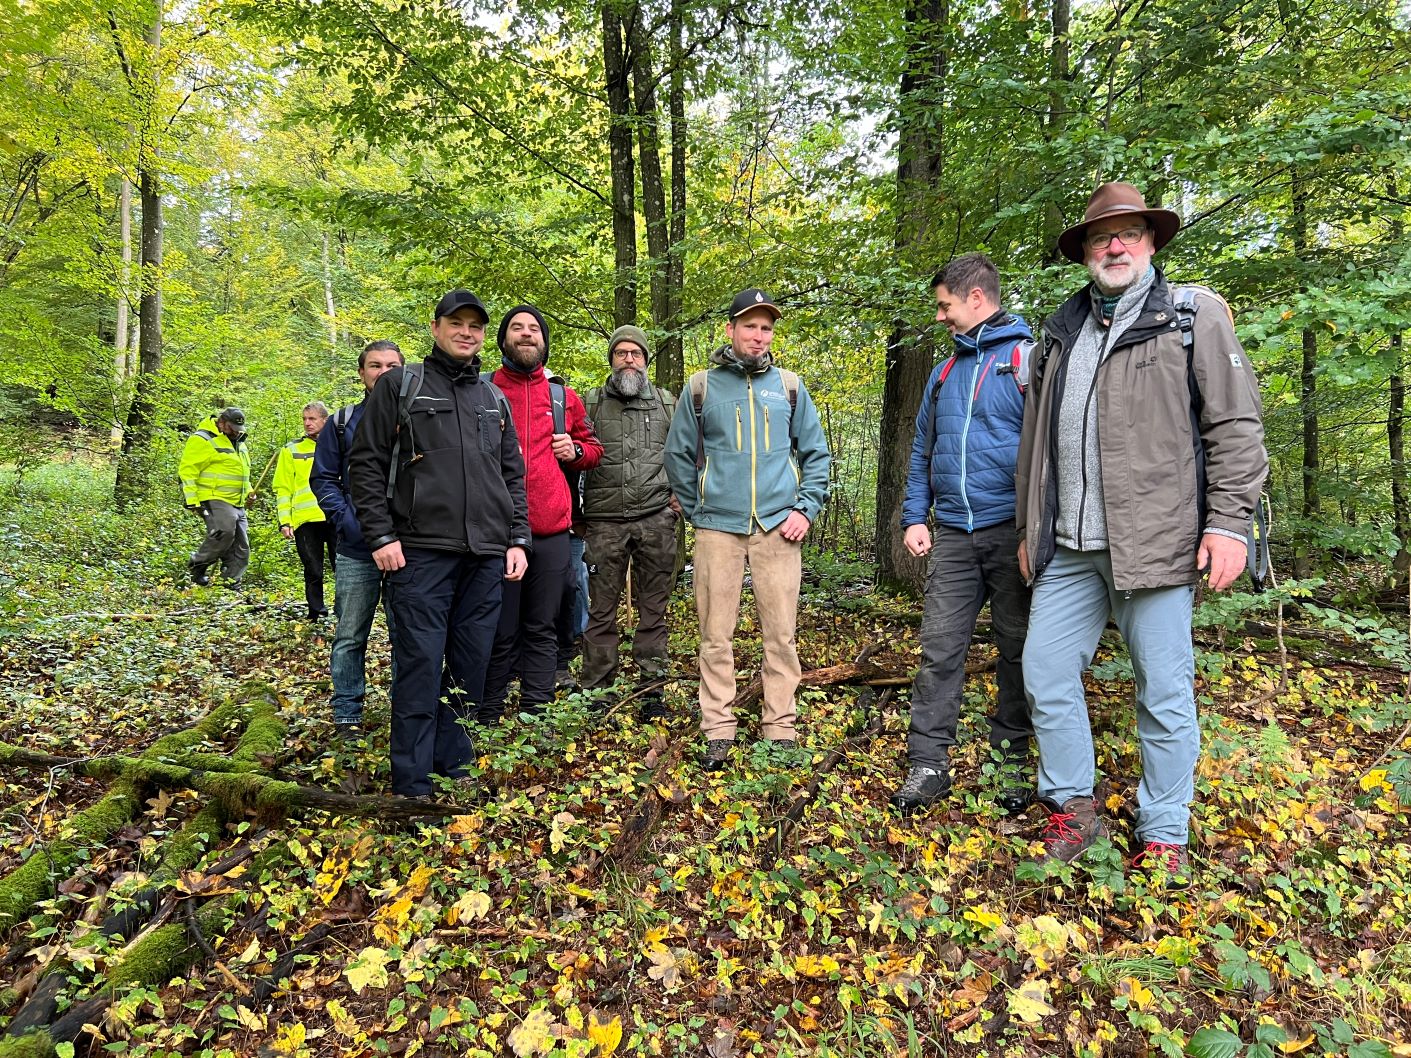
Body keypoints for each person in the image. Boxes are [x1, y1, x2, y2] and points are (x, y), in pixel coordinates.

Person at [1015, 182, 1267, 881]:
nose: (1115, 247)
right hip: (1070, 549)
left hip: (1156, 544)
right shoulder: (1060, 334)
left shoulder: (1190, 316)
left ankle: (1162, 833)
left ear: (1151, 242)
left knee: (1162, 691)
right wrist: (1031, 530)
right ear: (1085, 253)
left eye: (1128, 234)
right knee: (1044, 673)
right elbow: (1037, 447)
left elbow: (1235, 427)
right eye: (1102, 237)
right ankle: (1072, 808)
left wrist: (1229, 524)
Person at [347, 291, 530, 799]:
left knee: (471, 663)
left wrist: (517, 539)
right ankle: (412, 781)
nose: (466, 332)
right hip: (419, 553)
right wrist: (381, 535)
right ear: (435, 327)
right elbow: (365, 463)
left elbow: (511, 475)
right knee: (421, 663)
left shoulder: (491, 397)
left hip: (485, 555)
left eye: (475, 326)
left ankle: (455, 764)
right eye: (456, 323)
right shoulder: (402, 386)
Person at [664, 288, 831, 770]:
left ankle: (780, 726)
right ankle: (718, 727)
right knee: (715, 634)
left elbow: (816, 454)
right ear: (731, 330)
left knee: (781, 634)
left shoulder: (790, 387)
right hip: (717, 529)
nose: (759, 336)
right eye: (750, 326)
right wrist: (699, 509)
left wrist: (805, 509)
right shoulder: (702, 387)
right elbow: (677, 454)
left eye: (767, 328)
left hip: (779, 528)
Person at [892, 254, 1034, 815]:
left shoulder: (1026, 361)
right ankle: (928, 764)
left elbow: (1050, 454)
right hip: (952, 535)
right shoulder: (943, 373)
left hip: (1012, 534)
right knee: (940, 650)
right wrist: (914, 516)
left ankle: (1011, 763)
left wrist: (1037, 533)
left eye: (945, 305)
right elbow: (923, 450)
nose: (940, 316)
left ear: (976, 298)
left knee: (1017, 651)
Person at [480, 305, 603, 721]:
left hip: (551, 530)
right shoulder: (483, 390)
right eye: (517, 328)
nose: (526, 333)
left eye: (534, 328)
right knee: (499, 628)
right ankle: (488, 714)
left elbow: (594, 450)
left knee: (542, 626)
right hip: (495, 532)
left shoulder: (562, 397)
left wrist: (576, 449)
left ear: (544, 342)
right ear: (503, 340)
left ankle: (536, 710)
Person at [579, 324, 680, 721]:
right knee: (601, 610)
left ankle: (652, 690)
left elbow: (690, 452)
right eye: (621, 353)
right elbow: (572, 458)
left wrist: (680, 497)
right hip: (603, 522)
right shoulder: (589, 403)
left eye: (635, 353)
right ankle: (597, 691)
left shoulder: (667, 403)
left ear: (645, 360)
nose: (628, 359)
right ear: (611, 359)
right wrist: (576, 514)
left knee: (653, 610)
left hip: (656, 519)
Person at [311, 341, 405, 735]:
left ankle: (406, 710)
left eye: (392, 366)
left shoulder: (420, 417)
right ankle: (347, 713)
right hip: (356, 547)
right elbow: (323, 478)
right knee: (350, 632)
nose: (383, 373)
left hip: (410, 545)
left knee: (408, 634)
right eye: (375, 365)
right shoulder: (342, 422)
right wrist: (348, 521)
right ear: (362, 372)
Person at [178, 407, 252, 588]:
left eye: (238, 428)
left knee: (241, 546)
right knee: (224, 531)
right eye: (232, 427)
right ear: (222, 423)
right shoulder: (203, 439)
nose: (236, 432)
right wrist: (192, 500)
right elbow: (187, 471)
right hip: (213, 497)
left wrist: (249, 491)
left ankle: (231, 582)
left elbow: (242, 473)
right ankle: (198, 564)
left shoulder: (239, 443)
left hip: (237, 501)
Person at [275, 401, 337, 620]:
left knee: (343, 569)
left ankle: (344, 611)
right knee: (313, 569)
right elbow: (283, 488)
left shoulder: (339, 445)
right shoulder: (291, 450)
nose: (307, 423)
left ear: (325, 420)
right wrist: (285, 520)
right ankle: (316, 612)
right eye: (304, 419)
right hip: (305, 519)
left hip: (335, 516)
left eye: (312, 419)